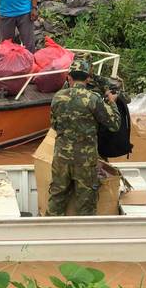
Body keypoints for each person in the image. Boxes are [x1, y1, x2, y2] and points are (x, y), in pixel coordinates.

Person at [48, 58, 120, 216]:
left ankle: (49, 235)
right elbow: (114, 124)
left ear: (69, 77)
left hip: (61, 158)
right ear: (88, 78)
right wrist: (112, 102)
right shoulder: (93, 99)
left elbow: (54, 125)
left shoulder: (58, 97)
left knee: (56, 198)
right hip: (85, 160)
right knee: (86, 203)